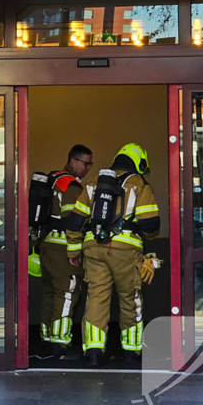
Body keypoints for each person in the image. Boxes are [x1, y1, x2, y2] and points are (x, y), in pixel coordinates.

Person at [65, 143, 160, 367]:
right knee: (130, 299)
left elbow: (76, 220)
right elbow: (150, 225)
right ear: (139, 163)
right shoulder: (139, 184)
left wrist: (73, 248)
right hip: (126, 251)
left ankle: (94, 352)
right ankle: (131, 351)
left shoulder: (93, 183)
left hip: (94, 249)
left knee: (96, 298)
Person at [37, 145, 92, 356]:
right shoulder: (71, 186)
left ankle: (46, 336)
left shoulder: (53, 180)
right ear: (72, 161)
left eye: (90, 164)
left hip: (47, 245)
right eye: (85, 163)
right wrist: (74, 253)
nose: (87, 168)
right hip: (62, 248)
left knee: (50, 293)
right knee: (68, 293)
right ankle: (60, 343)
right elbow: (73, 223)